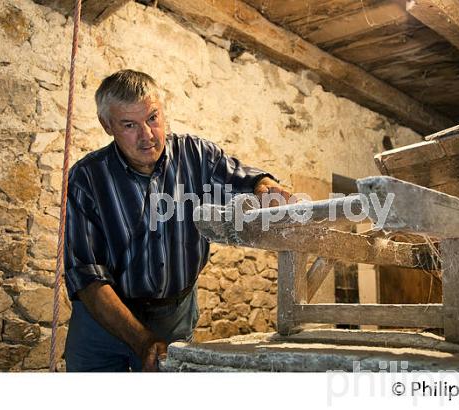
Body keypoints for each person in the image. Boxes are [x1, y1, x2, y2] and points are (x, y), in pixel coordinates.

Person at [63, 69, 292, 372]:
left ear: (163, 110)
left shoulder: (198, 155)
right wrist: (141, 338)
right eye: (129, 125)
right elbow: (86, 275)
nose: (147, 136)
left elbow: (245, 180)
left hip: (175, 314)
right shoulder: (87, 177)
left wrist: (264, 185)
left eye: (153, 118)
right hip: (103, 320)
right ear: (107, 125)